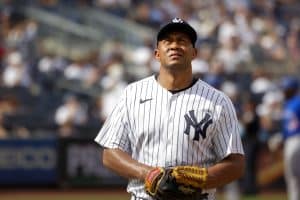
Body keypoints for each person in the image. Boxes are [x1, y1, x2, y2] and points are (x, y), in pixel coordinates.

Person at [94, 17, 245, 200]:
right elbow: (110, 154)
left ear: (194, 53)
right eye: (168, 41)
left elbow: (236, 164)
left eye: (182, 41)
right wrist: (148, 174)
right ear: (157, 54)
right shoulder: (132, 94)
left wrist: (204, 178)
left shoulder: (218, 101)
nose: (175, 46)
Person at [280, 76, 300, 200]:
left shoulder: (297, 102)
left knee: (293, 176)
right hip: (290, 141)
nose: (284, 91)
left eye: (286, 88)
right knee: (292, 176)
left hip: (296, 139)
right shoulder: (287, 104)